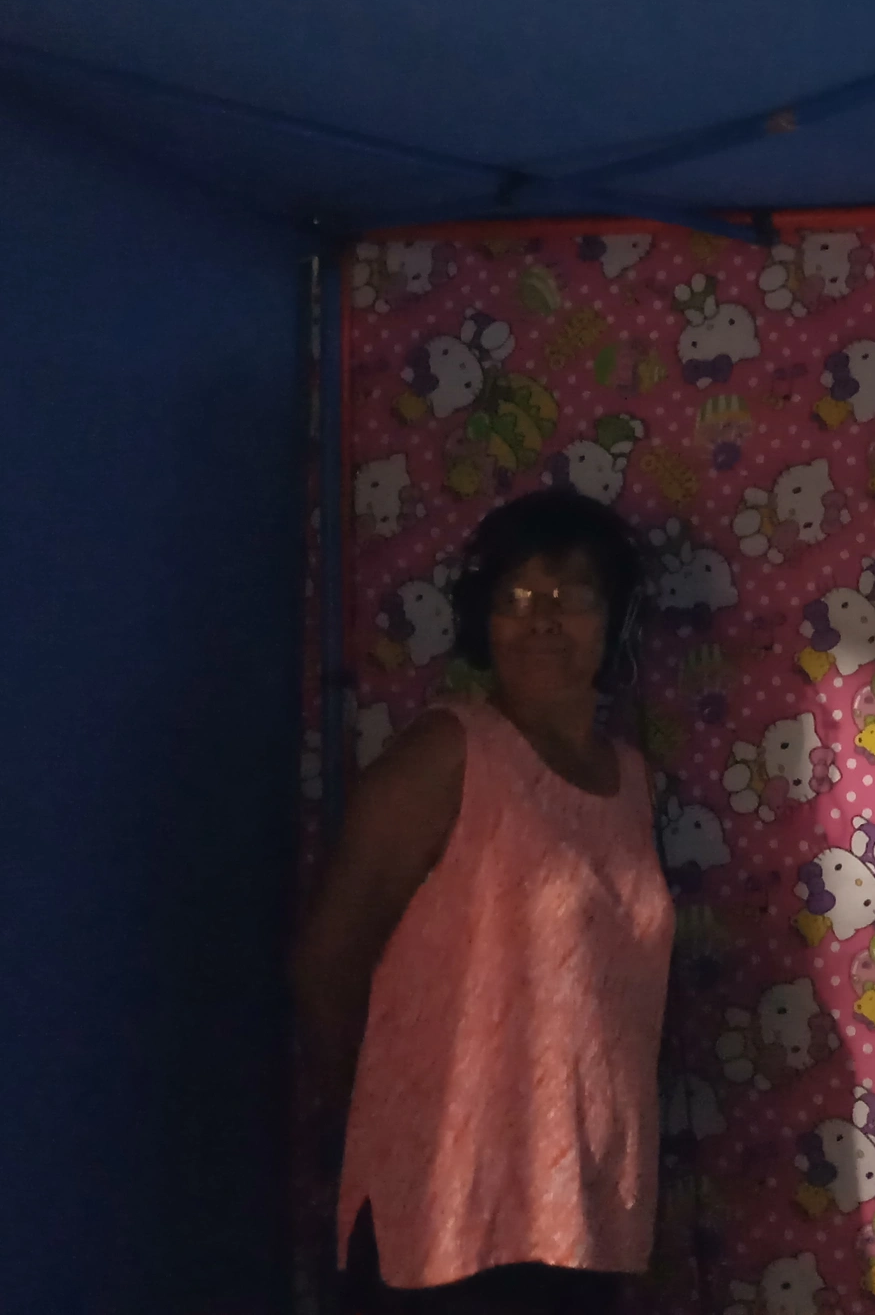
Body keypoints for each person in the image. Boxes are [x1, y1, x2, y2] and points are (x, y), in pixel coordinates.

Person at [296, 491, 675, 1315]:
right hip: (448, 1213)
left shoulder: (633, 784)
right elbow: (329, 959)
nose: (542, 620)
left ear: (615, 621)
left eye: (572, 596)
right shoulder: (446, 756)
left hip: (582, 1211)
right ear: (482, 621)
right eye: (515, 597)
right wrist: (397, 1120)